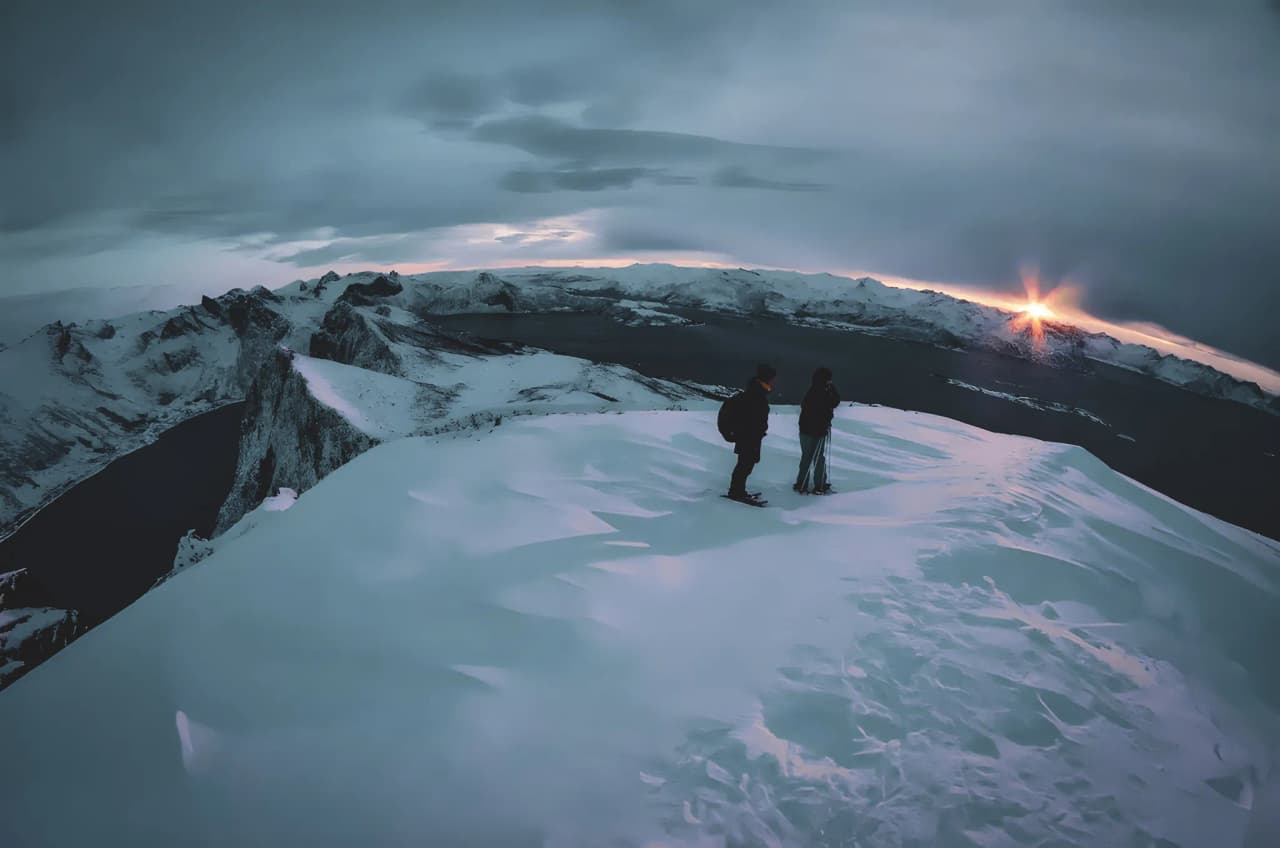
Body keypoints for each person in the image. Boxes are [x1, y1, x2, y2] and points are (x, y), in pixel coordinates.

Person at [727, 363, 776, 504]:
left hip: (749, 435)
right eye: (773, 378)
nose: (774, 381)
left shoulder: (757, 389)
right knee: (745, 464)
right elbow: (753, 415)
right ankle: (736, 491)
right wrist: (756, 430)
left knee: (745, 464)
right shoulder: (757, 392)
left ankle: (738, 490)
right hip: (749, 435)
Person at [794, 366, 840, 494]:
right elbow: (834, 402)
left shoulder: (812, 390)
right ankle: (819, 484)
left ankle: (801, 484)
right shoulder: (824, 392)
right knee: (818, 458)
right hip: (818, 430)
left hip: (805, 429)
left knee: (807, 457)